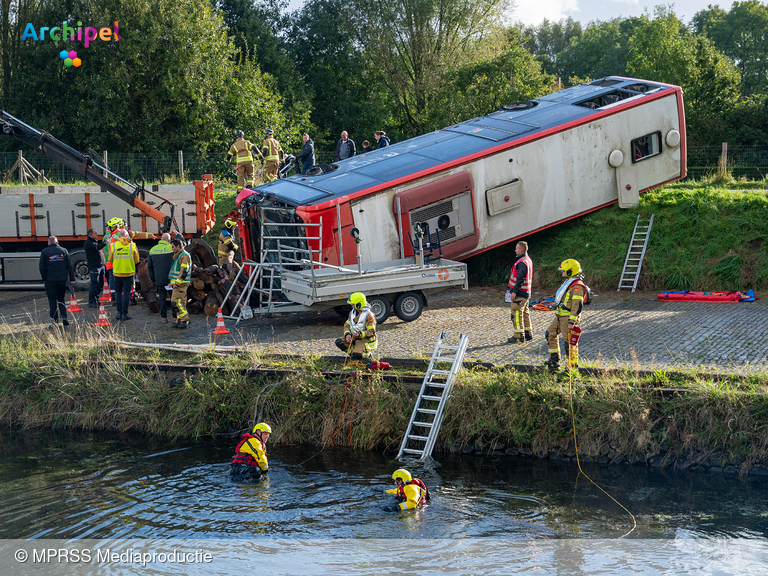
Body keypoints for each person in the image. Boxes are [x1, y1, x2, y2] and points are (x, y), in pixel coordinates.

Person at [545, 259, 587, 373]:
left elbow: (577, 305)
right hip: (559, 316)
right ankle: (554, 361)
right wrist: (556, 304)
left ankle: (572, 367)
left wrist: (571, 322)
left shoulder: (577, 286)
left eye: (564, 271)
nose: (562, 273)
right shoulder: (568, 282)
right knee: (550, 333)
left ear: (570, 271)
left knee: (569, 343)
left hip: (567, 319)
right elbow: (565, 298)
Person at [38, 236, 75, 327]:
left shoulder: (44, 252)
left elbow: (41, 267)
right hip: (62, 280)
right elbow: (69, 266)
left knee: (52, 301)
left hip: (50, 280)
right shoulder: (64, 251)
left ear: (48, 243)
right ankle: (64, 318)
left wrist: (44, 278)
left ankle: (54, 321)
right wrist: (72, 279)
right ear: (57, 243)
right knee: (61, 299)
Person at [335, 292, 377, 360]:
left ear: (358, 304)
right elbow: (347, 325)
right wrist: (347, 334)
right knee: (339, 342)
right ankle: (353, 354)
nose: (351, 305)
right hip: (354, 338)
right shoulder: (352, 313)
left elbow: (371, 331)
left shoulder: (369, 315)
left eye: (353, 304)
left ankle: (366, 355)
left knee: (357, 354)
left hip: (365, 340)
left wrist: (360, 334)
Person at [109, 229, 139, 321]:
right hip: (129, 273)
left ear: (119, 236)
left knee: (118, 293)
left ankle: (119, 313)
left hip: (117, 273)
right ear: (127, 236)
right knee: (126, 293)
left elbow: (110, 259)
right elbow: (137, 260)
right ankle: (125, 313)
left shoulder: (113, 245)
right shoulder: (132, 245)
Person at [507, 241, 533, 344]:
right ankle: (528, 333)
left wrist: (514, 292)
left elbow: (520, 279)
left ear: (521, 250)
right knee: (525, 313)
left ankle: (518, 336)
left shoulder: (522, 262)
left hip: (520, 293)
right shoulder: (527, 260)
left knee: (516, 314)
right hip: (526, 293)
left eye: (516, 248)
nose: (515, 250)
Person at [148, 233, 174, 324]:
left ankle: (164, 318)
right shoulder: (171, 248)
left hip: (159, 279)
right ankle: (174, 317)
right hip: (170, 279)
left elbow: (149, 268)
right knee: (173, 297)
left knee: (162, 298)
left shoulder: (152, 250)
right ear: (168, 240)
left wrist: (153, 280)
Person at [169, 237, 192, 329]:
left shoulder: (184, 256)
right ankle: (181, 320)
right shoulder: (180, 255)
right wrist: (172, 283)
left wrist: (177, 283)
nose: (172, 249)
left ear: (178, 246)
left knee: (176, 303)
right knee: (180, 302)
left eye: (173, 247)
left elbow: (184, 271)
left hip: (181, 284)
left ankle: (185, 319)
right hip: (179, 284)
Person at [84, 228, 106, 308]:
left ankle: (96, 300)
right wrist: (105, 242)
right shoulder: (88, 243)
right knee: (95, 285)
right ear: (90, 235)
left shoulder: (94, 242)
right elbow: (98, 247)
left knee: (100, 285)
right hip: (94, 267)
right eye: (95, 233)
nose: (97, 234)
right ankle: (92, 302)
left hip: (100, 266)